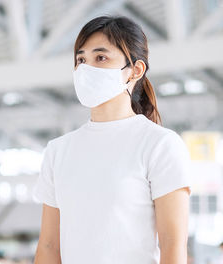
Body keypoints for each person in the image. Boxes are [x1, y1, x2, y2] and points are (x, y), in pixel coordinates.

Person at [32, 16, 192, 263]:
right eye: (81, 59)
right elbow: (49, 246)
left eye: (101, 57)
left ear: (135, 70)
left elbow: (173, 246)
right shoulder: (58, 151)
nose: (86, 68)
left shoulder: (160, 145)